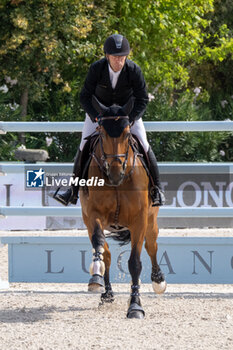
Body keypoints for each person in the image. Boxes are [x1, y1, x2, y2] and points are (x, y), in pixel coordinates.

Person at [53, 34, 165, 206]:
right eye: (115, 57)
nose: (118, 61)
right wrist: (96, 117)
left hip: (126, 116)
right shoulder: (97, 69)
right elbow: (84, 97)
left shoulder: (134, 70)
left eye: (122, 57)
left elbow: (142, 99)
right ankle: (73, 191)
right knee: (84, 145)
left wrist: (132, 119)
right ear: (107, 56)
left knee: (143, 142)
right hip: (100, 115)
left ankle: (157, 189)